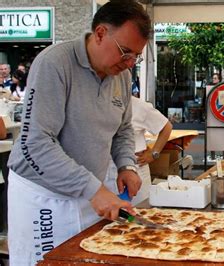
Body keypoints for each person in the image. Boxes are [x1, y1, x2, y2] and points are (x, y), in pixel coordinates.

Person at [6, 1, 152, 264]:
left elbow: (123, 129)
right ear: (99, 33)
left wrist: (126, 165)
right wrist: (93, 189)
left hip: (89, 193)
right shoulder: (54, 63)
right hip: (44, 196)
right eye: (125, 52)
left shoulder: (121, 75)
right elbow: (36, 143)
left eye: (136, 57)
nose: (130, 63)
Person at [106, 96, 172, 206]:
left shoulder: (138, 105)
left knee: (139, 212)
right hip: (106, 171)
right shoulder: (97, 104)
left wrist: (154, 153)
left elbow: (166, 126)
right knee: (108, 218)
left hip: (135, 169)